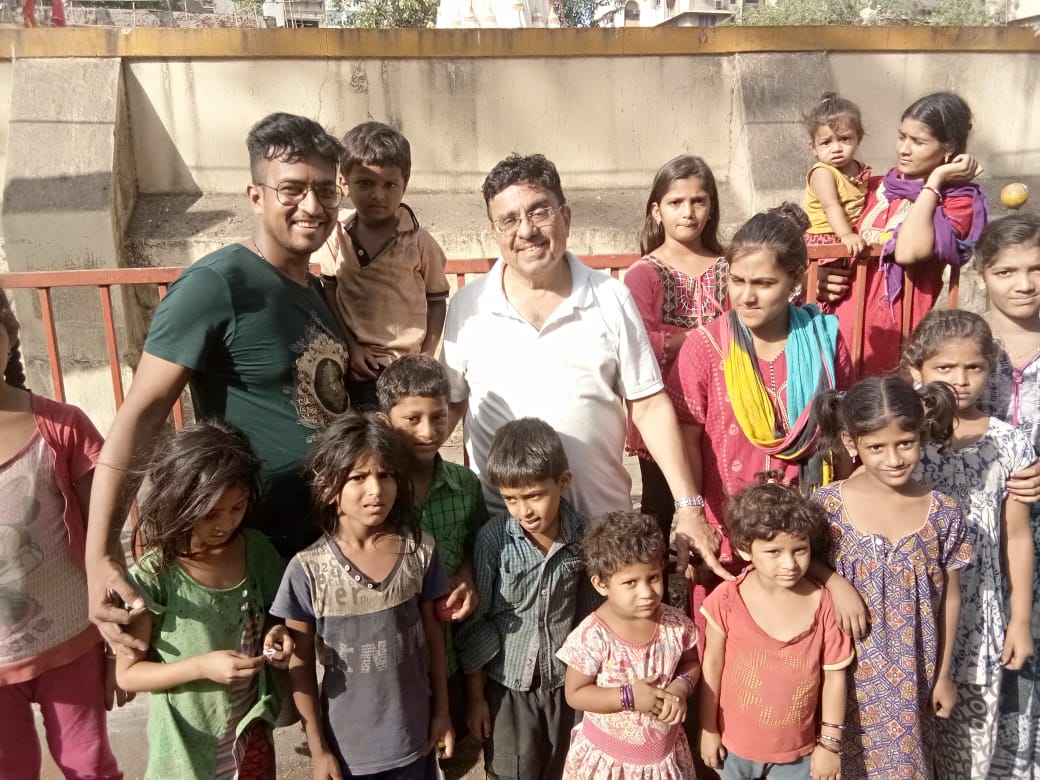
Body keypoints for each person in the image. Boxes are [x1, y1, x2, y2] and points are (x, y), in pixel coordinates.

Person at [87, 112, 351, 655]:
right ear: (256, 196)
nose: (312, 205)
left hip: (327, 546)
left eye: (326, 190)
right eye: (292, 189)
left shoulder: (316, 290)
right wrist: (101, 553)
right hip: (253, 555)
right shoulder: (216, 285)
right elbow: (141, 416)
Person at [440, 152, 727, 583]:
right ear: (494, 231)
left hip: (601, 535)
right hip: (506, 543)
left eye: (540, 212)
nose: (526, 230)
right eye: (509, 220)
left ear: (566, 217)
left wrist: (688, 507)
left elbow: (649, 405)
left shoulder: (611, 298)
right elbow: (448, 408)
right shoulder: (468, 307)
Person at [665, 203, 853, 643]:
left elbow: (841, 436)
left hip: (805, 539)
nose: (746, 296)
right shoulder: (705, 348)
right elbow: (685, 441)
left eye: (764, 283)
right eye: (737, 280)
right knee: (725, 652)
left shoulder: (824, 341)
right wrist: (693, 516)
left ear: (795, 281)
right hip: (728, 537)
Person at [271, 412, 453, 779]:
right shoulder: (308, 570)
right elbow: (300, 666)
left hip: (415, 741)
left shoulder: (419, 552)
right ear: (328, 487)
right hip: (348, 754)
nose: (376, 490)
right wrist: (318, 749)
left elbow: (434, 639)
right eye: (358, 477)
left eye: (386, 475)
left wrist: (443, 713)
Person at [811, 376, 971, 779]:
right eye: (877, 447)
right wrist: (835, 582)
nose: (894, 458)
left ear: (923, 435)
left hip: (912, 682)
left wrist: (943, 675)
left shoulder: (943, 513)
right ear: (851, 443)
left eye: (905, 443)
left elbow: (951, 597)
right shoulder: (827, 506)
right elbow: (800, 563)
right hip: (841, 677)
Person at [115, 421, 292, 779]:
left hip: (251, 735)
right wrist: (201, 667)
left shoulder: (256, 551)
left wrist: (278, 634)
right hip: (185, 752)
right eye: (210, 513)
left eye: (237, 507)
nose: (226, 523)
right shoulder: (154, 577)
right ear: (177, 501)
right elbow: (128, 674)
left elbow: (276, 615)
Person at [903, 310, 1036, 778]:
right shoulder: (903, 439)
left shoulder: (1009, 443)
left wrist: (1020, 620)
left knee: (969, 750)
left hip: (980, 616)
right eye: (945, 368)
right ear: (916, 370)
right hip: (911, 606)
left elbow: (1016, 536)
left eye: (973, 367)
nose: (960, 380)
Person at [0, 288, 122, 780]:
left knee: (89, 766)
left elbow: (105, 542)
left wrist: (118, 644)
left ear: (10, 336)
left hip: (71, 638)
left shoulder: (61, 427)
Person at [457, 417, 599, 780]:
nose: (524, 511)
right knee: (511, 772)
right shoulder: (494, 541)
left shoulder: (583, 538)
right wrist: (476, 698)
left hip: (566, 687)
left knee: (566, 768)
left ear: (563, 482)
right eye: (511, 499)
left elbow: (591, 620)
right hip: (506, 690)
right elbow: (475, 624)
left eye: (534, 495)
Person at [817, 91, 987, 375]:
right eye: (901, 137)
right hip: (837, 328)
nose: (904, 150)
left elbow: (908, 251)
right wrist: (820, 278)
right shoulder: (871, 186)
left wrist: (936, 180)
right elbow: (821, 242)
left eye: (918, 142)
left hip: (895, 336)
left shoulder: (958, 201)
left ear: (948, 148)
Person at [699, 484, 852, 780]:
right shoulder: (726, 600)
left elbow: (834, 678)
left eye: (800, 550)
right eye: (773, 552)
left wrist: (830, 746)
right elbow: (712, 666)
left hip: (798, 757)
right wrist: (708, 729)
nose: (790, 564)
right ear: (745, 549)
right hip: (733, 751)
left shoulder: (824, 604)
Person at [376, 354, 488, 742]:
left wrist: (466, 577)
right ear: (384, 421)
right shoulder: (374, 492)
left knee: (454, 747)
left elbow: (476, 545)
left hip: (456, 654)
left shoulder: (465, 486)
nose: (428, 431)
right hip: (394, 661)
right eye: (412, 419)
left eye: (438, 417)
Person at [623, 155, 727, 538]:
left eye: (698, 201)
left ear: (711, 206)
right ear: (657, 211)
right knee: (658, 507)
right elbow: (639, 344)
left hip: (719, 406)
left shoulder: (730, 267)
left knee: (720, 499)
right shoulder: (643, 273)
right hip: (661, 410)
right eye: (676, 202)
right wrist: (703, 337)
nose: (688, 212)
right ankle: (654, 575)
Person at [557, 510, 700, 779]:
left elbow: (691, 661)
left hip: (663, 761)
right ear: (601, 584)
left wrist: (681, 686)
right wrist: (629, 697)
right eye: (630, 583)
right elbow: (575, 693)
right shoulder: (593, 636)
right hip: (609, 766)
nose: (646, 593)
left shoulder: (675, 624)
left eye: (653, 577)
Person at [318, 121, 450, 409]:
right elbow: (329, 292)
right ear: (344, 183)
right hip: (353, 365)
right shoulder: (336, 235)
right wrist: (351, 346)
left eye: (390, 185)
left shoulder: (418, 241)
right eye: (365, 183)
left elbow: (436, 300)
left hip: (405, 370)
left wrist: (426, 356)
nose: (378, 195)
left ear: (404, 185)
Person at [975, 213, 1040, 777]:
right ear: (981, 275)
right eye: (1006, 271)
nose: (1024, 284)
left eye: (1036, 269)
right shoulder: (961, 346)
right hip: (977, 534)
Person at [803, 92, 871, 258]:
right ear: (813, 148)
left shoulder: (859, 169)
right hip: (827, 239)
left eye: (844, 139)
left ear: (859, 138)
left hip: (851, 236)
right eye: (826, 142)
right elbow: (830, 206)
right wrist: (846, 235)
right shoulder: (822, 173)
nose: (836, 149)